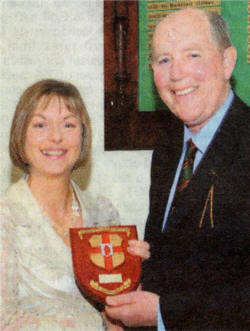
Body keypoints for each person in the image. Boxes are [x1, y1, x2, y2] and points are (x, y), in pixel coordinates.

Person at [105, 8, 250, 330]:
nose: (176, 74)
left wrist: (162, 313)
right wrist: (141, 272)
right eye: (163, 60)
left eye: (192, 55)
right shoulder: (170, 148)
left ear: (227, 61)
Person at [0, 79, 150, 331]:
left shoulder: (103, 213)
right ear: (20, 135)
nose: (56, 137)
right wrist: (98, 324)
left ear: (82, 135)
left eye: (68, 124)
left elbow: (119, 311)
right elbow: (3, 319)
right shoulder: (6, 217)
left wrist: (134, 277)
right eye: (40, 125)